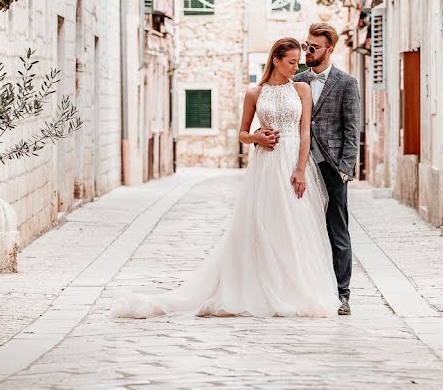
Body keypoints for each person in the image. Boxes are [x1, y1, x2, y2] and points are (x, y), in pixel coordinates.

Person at [113, 37, 340, 318]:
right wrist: (257, 137)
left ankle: (293, 288)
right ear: (276, 60)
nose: (297, 67)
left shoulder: (302, 89)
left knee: (295, 225)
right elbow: (242, 133)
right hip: (267, 164)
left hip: (292, 159)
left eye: (298, 62)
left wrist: (300, 169)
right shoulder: (255, 93)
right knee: (265, 224)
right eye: (292, 62)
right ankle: (260, 286)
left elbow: (305, 132)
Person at [293, 22, 361, 315]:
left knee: (337, 231)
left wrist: (345, 168)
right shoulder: (295, 80)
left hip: (332, 168)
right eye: (306, 44)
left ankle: (342, 294)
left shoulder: (346, 83)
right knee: (300, 229)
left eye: (313, 47)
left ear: (330, 50)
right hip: (299, 167)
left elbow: (351, 128)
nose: (307, 50)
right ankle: (304, 289)